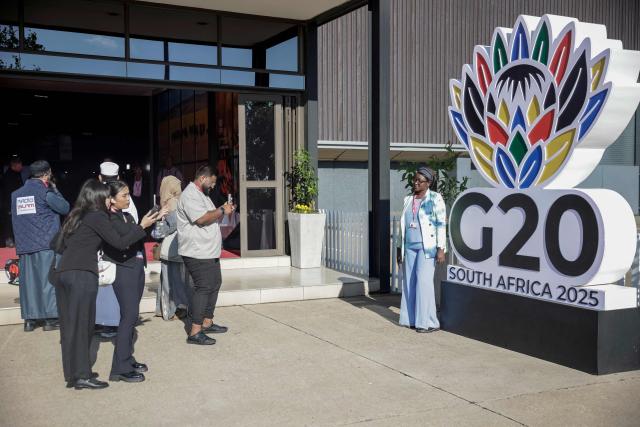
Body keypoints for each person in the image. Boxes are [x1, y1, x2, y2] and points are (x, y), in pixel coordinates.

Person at [53, 179, 160, 390]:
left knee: (70, 329)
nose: (109, 199)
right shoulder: (97, 216)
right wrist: (142, 226)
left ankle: (74, 374)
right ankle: (83, 376)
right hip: (82, 275)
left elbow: (55, 243)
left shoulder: (76, 215)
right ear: (98, 197)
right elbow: (120, 243)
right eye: (106, 196)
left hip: (64, 274)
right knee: (84, 327)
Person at [102, 180, 167, 383]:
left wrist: (154, 219)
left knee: (131, 317)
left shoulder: (127, 216)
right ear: (111, 199)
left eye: (129, 194)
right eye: (124, 195)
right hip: (124, 271)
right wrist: (141, 226)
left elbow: (137, 236)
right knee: (128, 318)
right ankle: (119, 369)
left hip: (136, 268)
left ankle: (127, 359)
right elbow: (122, 242)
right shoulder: (109, 220)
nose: (128, 198)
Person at [177, 165, 234, 345]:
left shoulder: (202, 195)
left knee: (215, 282)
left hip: (208, 250)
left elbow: (210, 215)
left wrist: (220, 211)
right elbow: (201, 219)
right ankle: (195, 331)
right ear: (203, 178)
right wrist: (222, 210)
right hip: (196, 251)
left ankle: (207, 322)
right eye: (212, 182)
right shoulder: (189, 195)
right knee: (204, 287)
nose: (214, 186)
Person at [11, 160, 70, 332]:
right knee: (48, 281)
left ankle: (30, 320)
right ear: (47, 173)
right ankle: (50, 319)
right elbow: (65, 208)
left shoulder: (16, 194)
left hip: (24, 244)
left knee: (28, 283)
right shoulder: (46, 193)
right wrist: (55, 189)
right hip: (46, 244)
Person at [396, 166, 447, 333]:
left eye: (420, 180)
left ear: (428, 183)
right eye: (415, 180)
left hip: (427, 248)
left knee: (424, 284)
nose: (416, 183)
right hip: (409, 248)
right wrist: (399, 250)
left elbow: (441, 224)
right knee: (409, 284)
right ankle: (411, 320)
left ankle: (429, 322)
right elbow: (401, 228)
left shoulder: (435, 198)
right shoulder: (408, 200)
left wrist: (441, 249)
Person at [95, 161, 139, 338]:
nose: (127, 198)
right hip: (119, 255)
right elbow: (134, 225)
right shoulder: (123, 199)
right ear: (119, 177)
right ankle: (112, 324)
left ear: (99, 177)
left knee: (103, 288)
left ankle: (102, 323)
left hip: (101, 254)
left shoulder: (94, 197)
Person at [151, 175, 189, 320]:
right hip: (178, 248)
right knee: (177, 281)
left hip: (170, 249)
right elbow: (177, 224)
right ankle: (177, 308)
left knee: (168, 282)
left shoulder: (167, 203)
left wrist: (158, 226)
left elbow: (159, 232)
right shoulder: (177, 202)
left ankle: (166, 310)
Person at [2, 155, 26, 247]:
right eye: (20, 165)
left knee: (15, 223)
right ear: (14, 165)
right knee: (10, 223)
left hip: (16, 204)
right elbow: (9, 193)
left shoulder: (16, 174)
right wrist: (10, 207)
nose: (22, 167)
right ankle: (9, 241)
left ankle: (15, 241)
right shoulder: (8, 176)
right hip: (10, 205)